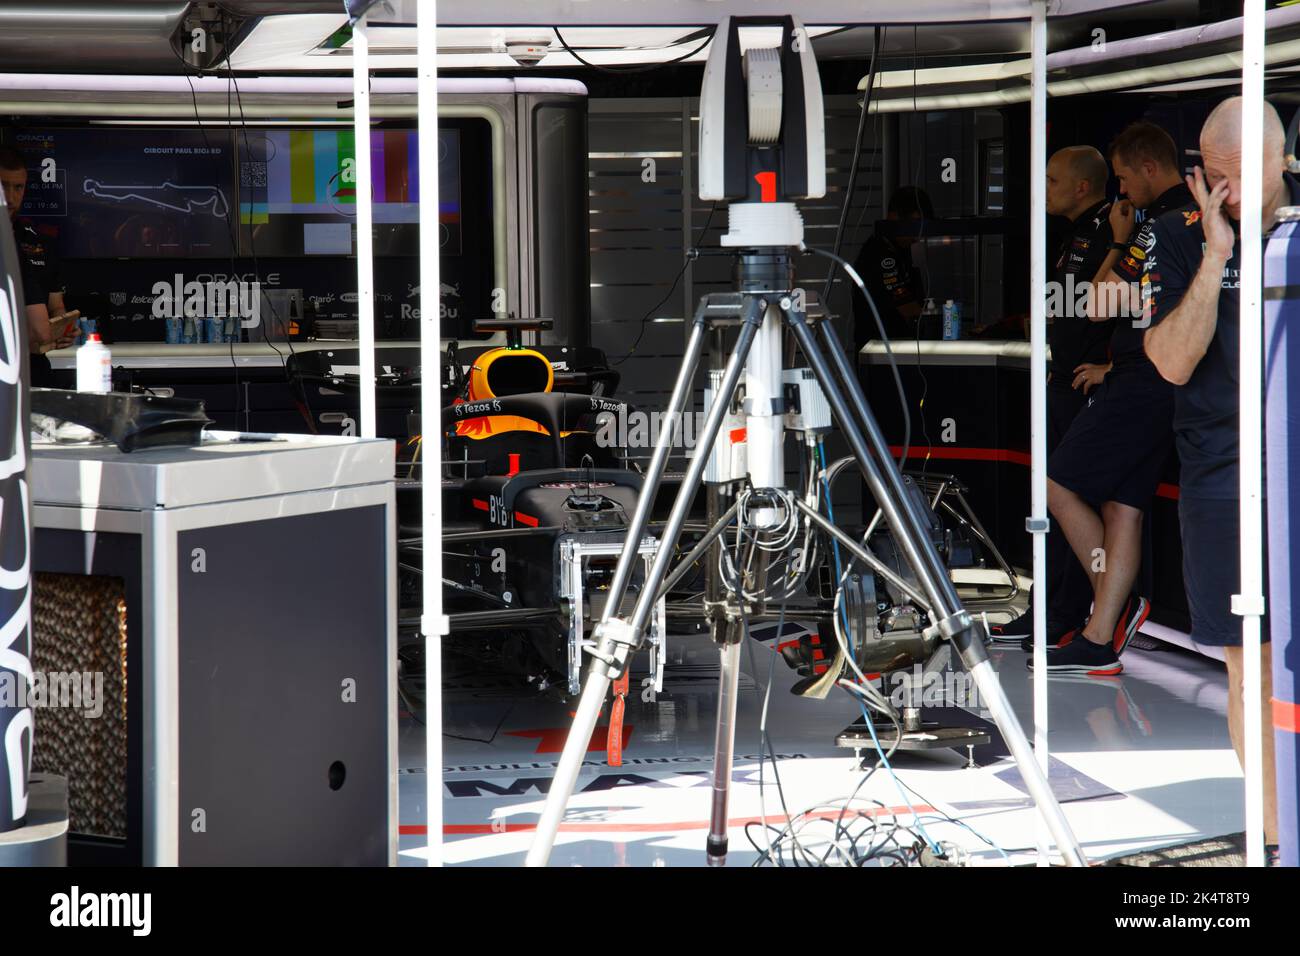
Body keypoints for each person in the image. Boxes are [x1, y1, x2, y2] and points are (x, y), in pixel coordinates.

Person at [1143, 96, 1288, 863]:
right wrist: (1216, 256)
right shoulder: (1175, 235)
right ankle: (1272, 841)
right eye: (1212, 177)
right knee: (1249, 665)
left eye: (1237, 177)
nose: (1222, 193)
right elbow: (1170, 361)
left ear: (1281, 162)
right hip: (1223, 478)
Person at [1033, 122, 1192, 673]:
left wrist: (1122, 239)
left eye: (1123, 178)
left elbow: (1098, 304)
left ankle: (1113, 604)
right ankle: (1100, 638)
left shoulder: (1158, 226)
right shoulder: (1201, 219)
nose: (1120, 191)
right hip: (1166, 384)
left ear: (1149, 169)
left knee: (1056, 486)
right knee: (1123, 510)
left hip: (1143, 386)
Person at [990, 146, 1112, 645]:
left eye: (1053, 181)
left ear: (1082, 186)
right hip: (1061, 381)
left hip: (1088, 388)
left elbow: (1131, 309)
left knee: (1067, 499)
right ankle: (1048, 606)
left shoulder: (1112, 231)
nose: (1044, 190)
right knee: (1052, 501)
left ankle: (1068, 610)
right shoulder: (1074, 236)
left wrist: (1111, 368)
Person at [0, 146, 75, 386]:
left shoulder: (39, 242)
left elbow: (56, 306)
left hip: (35, 369)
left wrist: (63, 329)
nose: (10, 197)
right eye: (2, 185)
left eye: (18, 187)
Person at [851, 186, 932, 349]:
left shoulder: (900, 249)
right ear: (894, 217)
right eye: (913, 226)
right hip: (879, 350)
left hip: (895, 346)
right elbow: (906, 306)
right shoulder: (879, 253)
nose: (917, 236)